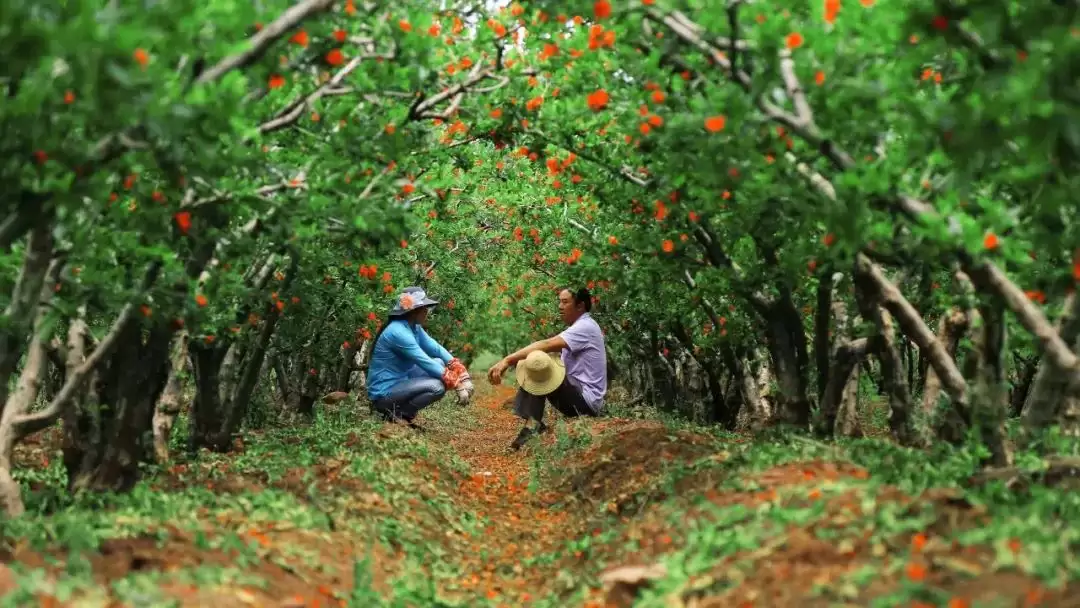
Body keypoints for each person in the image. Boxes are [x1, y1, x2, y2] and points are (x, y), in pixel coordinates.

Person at [487, 287, 606, 449]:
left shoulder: (585, 327)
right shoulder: (581, 326)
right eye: (559, 302)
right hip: (577, 398)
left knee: (540, 360)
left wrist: (507, 361)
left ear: (580, 306)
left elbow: (546, 345)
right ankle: (533, 422)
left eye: (565, 302)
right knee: (538, 361)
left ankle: (533, 424)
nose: (560, 306)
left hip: (585, 403)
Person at [367, 286, 473, 427]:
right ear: (414, 311)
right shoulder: (397, 332)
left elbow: (436, 349)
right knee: (436, 387)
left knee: (439, 362)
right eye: (424, 308)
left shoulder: (413, 327)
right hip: (385, 393)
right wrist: (458, 384)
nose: (426, 312)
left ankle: (401, 414)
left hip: (401, 382)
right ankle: (399, 415)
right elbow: (424, 362)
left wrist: (463, 375)